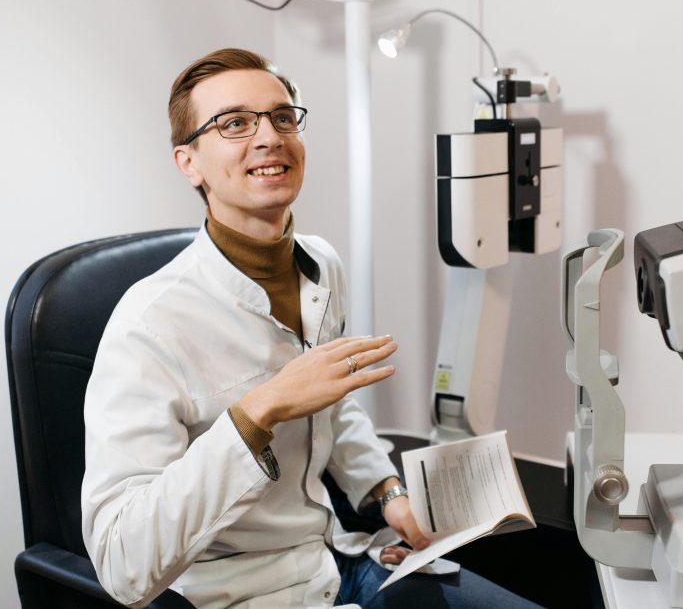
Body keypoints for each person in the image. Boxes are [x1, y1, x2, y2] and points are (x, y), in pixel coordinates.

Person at [80, 48, 540, 609]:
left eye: (282, 116)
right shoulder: (147, 326)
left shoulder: (321, 264)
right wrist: (258, 412)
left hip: (337, 558)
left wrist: (386, 491)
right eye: (234, 123)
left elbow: (333, 409)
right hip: (242, 595)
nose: (269, 136)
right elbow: (122, 564)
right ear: (189, 163)